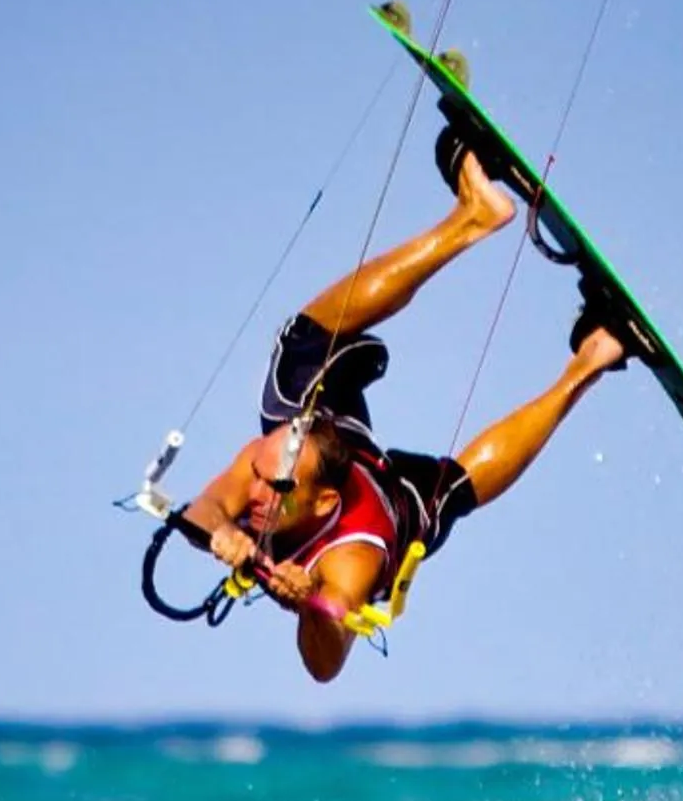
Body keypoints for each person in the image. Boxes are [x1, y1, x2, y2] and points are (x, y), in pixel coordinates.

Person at [175, 141, 625, 681]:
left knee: (307, 348)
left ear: (320, 503)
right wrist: (226, 536)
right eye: (255, 473)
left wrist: (310, 597)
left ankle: (476, 218)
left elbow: (321, 660)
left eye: (271, 485)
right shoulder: (280, 480)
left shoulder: (347, 550)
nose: (253, 488)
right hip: (369, 480)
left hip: (364, 490)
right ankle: (595, 355)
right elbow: (201, 514)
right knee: (451, 487)